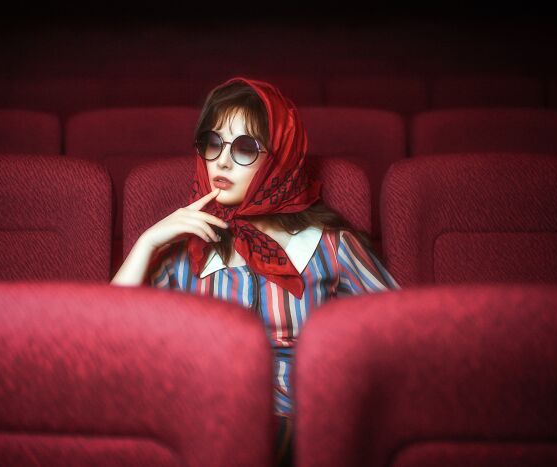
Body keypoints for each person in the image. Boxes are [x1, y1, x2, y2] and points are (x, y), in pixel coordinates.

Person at [111, 76, 400, 466]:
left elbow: (405, 338)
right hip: (204, 422)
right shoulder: (186, 249)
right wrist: (147, 242)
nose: (222, 160)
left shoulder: (329, 246)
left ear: (278, 159)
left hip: (304, 429)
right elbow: (108, 338)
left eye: (245, 147)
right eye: (213, 144)